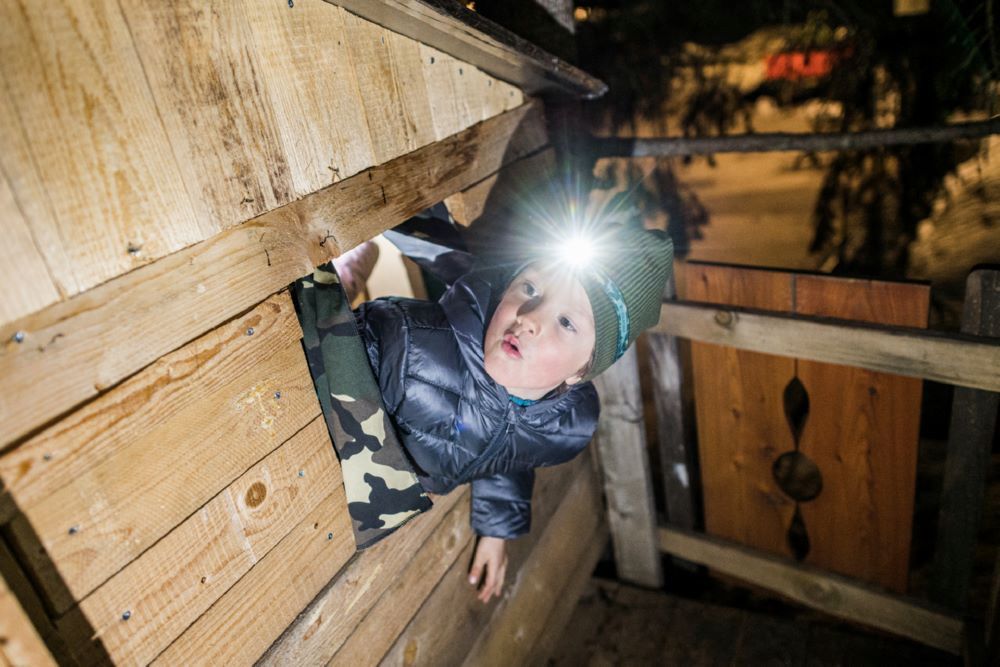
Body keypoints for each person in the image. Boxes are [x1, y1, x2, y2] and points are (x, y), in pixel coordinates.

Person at [336, 217, 674, 603]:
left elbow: (511, 447)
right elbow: (329, 350)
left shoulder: (559, 426)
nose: (529, 318)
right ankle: (352, 265)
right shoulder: (407, 345)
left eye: (566, 321)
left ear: (583, 370)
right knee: (341, 287)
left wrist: (496, 528)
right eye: (530, 287)